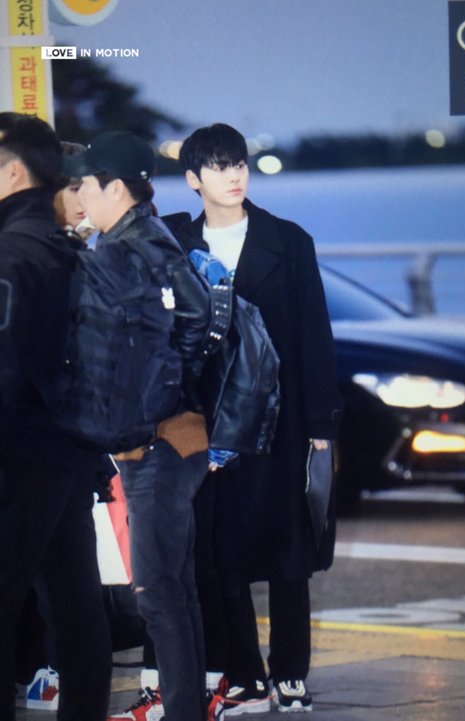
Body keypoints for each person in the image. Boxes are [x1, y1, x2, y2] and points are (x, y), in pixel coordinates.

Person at [174, 123, 343, 715]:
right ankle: (242, 671)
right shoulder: (175, 241)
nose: (234, 176)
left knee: (289, 549)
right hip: (206, 421)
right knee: (220, 551)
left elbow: (314, 333)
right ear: (193, 179)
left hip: (281, 417)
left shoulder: (287, 241)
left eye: (239, 164)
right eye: (219, 166)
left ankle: (289, 671)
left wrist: (321, 424)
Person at [68, 130, 211, 721]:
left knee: (157, 592)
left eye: (85, 184)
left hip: (153, 443)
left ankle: (183, 712)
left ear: (116, 188)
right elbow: (198, 317)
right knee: (176, 587)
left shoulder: (122, 250)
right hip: (180, 434)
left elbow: (105, 348)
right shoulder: (155, 237)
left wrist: (151, 399)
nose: (79, 195)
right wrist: (175, 384)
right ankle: (188, 707)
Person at [0, 112, 112, 721]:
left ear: (14, 173)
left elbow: (7, 366)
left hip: (17, 458)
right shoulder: (67, 251)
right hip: (69, 452)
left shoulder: (11, 251)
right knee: (75, 605)